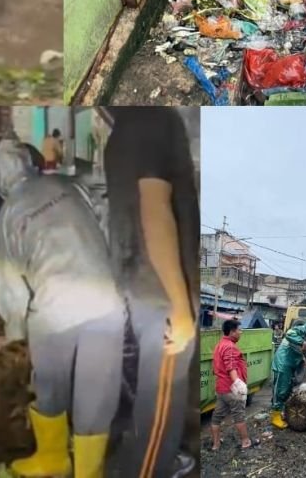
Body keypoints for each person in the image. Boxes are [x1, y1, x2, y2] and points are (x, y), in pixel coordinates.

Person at [0, 140, 126, 478]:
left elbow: (10, 289)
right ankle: (88, 473)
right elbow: (104, 223)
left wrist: (15, 334)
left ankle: (53, 458)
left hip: (54, 313)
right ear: (32, 165)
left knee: (50, 387)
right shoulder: (69, 186)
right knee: (97, 394)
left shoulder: (6, 217)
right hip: (106, 304)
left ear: (1, 182)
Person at [103, 107, 198, 478]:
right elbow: (154, 208)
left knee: (152, 403)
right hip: (163, 296)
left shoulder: (122, 132)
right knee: (160, 413)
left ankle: (159, 458)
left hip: (143, 285)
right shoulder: (153, 120)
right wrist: (181, 306)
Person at [210, 319, 257, 452]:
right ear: (232, 332)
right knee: (239, 416)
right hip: (231, 389)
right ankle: (246, 441)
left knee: (216, 417)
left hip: (221, 389)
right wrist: (237, 383)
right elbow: (230, 366)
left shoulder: (220, 345)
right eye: (239, 330)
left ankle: (216, 444)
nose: (240, 332)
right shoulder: (230, 347)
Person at [270, 321, 306, 428]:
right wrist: (302, 342)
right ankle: (275, 417)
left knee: (286, 389)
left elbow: (304, 356)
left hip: (289, 366)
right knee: (280, 390)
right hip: (282, 365)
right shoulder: (297, 331)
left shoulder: (303, 336)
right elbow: (289, 334)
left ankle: (280, 412)